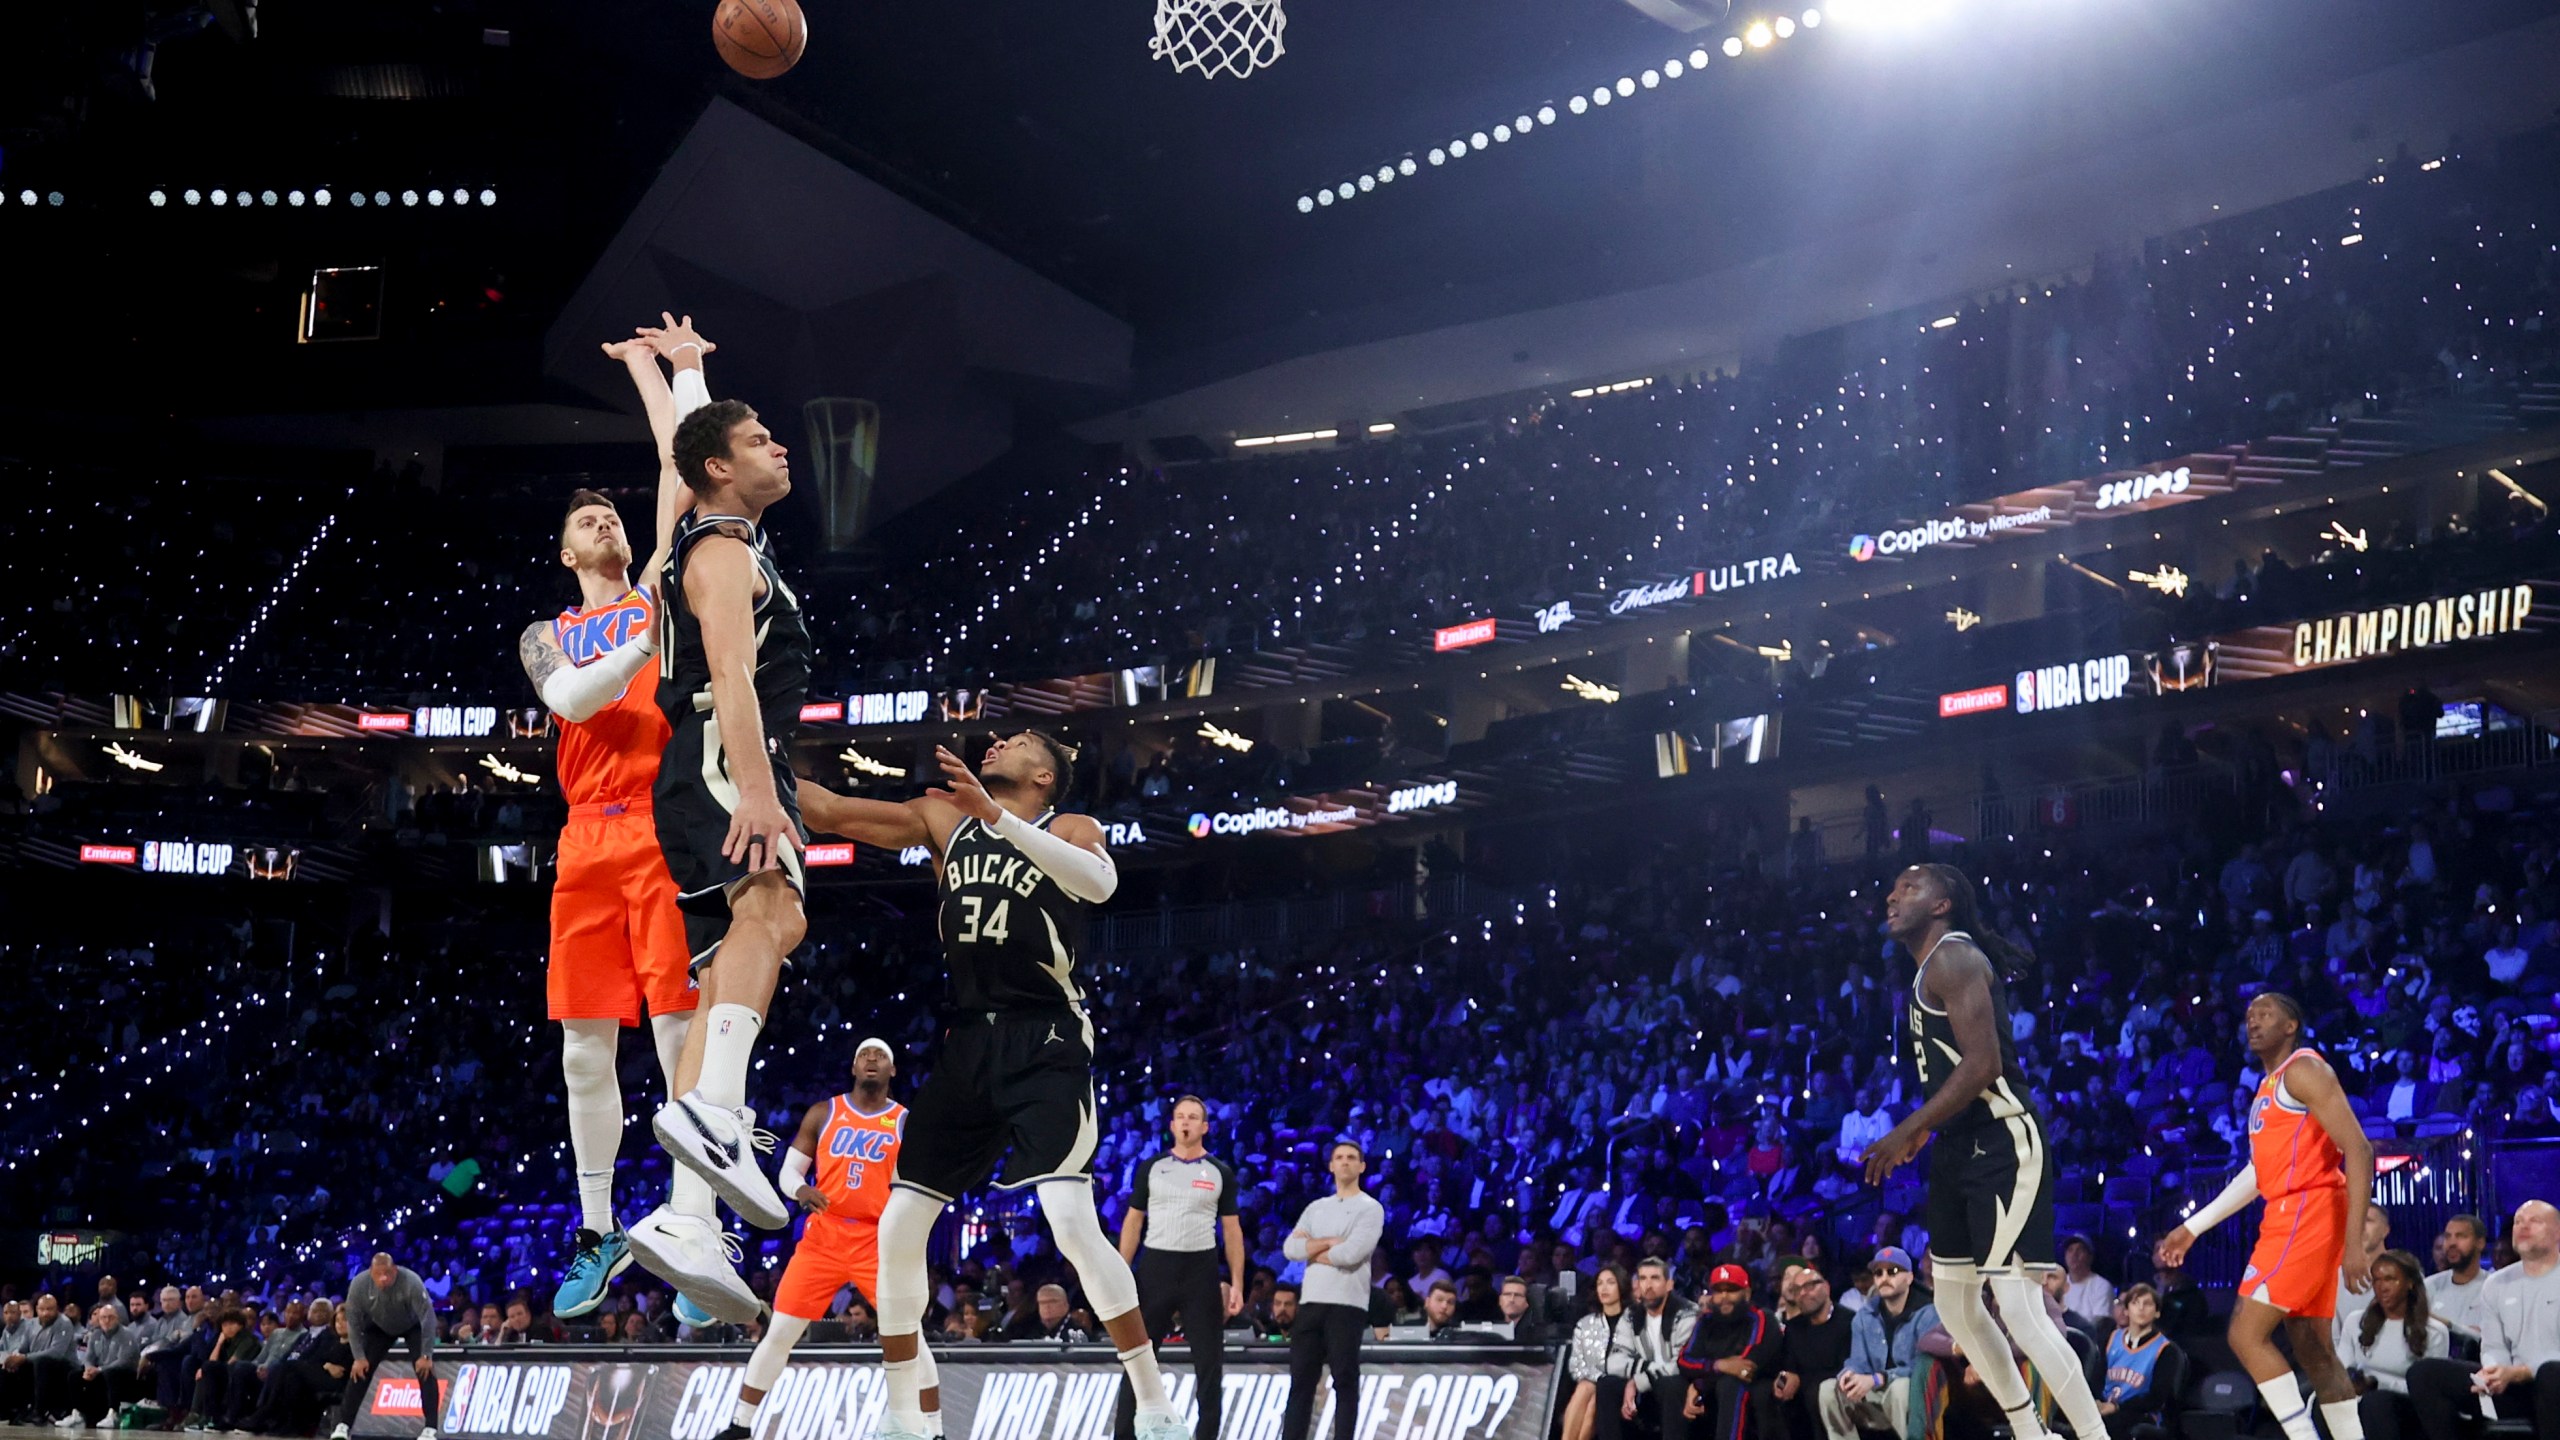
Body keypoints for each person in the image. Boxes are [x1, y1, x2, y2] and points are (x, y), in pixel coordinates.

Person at [798, 734, 1182, 1440]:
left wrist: (1000, 819)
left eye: (1019, 742)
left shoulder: (1067, 827)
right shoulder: (945, 821)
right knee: (899, 1225)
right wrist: (732, 753)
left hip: (1047, 1038)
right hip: (969, 1040)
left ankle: (1154, 1403)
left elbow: (1101, 884)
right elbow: (823, 809)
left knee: (1069, 1220)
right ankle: (903, 1417)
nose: (997, 741)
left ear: (1042, 775)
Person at [521, 321, 709, 1322]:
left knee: (677, 1032)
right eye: (586, 519)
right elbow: (574, 703)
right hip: (583, 844)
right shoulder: (549, 632)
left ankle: (684, 1222)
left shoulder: (650, 590)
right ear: (564, 550)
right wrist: (647, 636)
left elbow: (677, 465)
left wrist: (657, 368)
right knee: (583, 1050)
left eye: (612, 515)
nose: (604, 521)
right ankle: (598, 1230)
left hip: (654, 828)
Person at [630, 371, 817, 1320]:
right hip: (719, 754)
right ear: (718, 466)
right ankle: (713, 1113)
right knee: (772, 912)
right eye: (760, 439)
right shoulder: (720, 553)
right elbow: (733, 679)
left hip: (719, 761)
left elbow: (678, 448)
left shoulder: (725, 539)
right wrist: (755, 789)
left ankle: (686, 1217)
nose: (779, 449)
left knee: (732, 964)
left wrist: (681, 368)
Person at [1862, 864, 2113, 1440]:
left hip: (2003, 1139)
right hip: (1958, 1146)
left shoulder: (1954, 956)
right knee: (1955, 1307)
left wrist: (1908, 1127)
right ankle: (2031, 1431)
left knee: (2020, 1309)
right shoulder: (1930, 967)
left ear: (1943, 903)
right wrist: (1930, 1128)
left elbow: (1984, 1065)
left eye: (1908, 887)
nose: (1892, 894)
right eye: (1892, 886)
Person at [2156, 992, 2374, 1440]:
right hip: (2292, 1208)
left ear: (2291, 1025)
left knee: (2244, 1333)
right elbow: (2259, 1173)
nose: (2253, 1021)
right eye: (2249, 1016)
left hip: (2307, 1208)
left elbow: (2359, 1148)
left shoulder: (2304, 1069)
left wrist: (2355, 1244)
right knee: (2314, 1349)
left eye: (2265, 1013)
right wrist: (2193, 1227)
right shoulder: (2266, 1088)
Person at [713, 1037, 943, 1440]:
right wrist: (800, 1191)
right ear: (853, 1069)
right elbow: (789, 1173)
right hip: (825, 1236)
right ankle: (740, 1425)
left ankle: (935, 1430)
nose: (871, 1060)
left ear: (893, 1071)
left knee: (912, 1338)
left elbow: (919, 1184)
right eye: (863, 1055)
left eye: (881, 1056)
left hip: (879, 1241)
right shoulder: (824, 1112)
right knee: (781, 1331)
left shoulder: (907, 1120)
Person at [1115, 1095, 1248, 1440]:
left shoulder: (1220, 1172)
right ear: (1172, 1125)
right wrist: (1120, 1271)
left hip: (1200, 1271)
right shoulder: (1152, 1167)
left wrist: (1236, 1283)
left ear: (1205, 1127)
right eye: (1180, 1117)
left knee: (1209, 1366)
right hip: (1156, 1267)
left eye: (1193, 1117)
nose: (1186, 1122)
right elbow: (1133, 1221)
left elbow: (1232, 1231)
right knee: (1138, 1361)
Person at [2406, 1198, 2560, 1439]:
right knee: (2425, 1373)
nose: (2523, 1227)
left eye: (2535, 1221)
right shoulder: (2497, 1283)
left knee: (2552, 1373)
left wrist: (2520, 1372)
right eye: (2519, 1221)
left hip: (2552, 1383)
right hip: (2514, 1385)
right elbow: (2492, 1344)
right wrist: (2493, 1373)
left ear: (2558, 1231)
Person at [1279, 1141, 1387, 1440]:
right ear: (1330, 1165)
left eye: (1352, 1158)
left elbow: (1351, 1254)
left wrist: (1312, 1250)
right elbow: (1290, 1248)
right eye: (1338, 1157)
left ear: (1362, 1166)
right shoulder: (1316, 1208)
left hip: (1346, 1304)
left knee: (1344, 1380)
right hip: (1311, 1302)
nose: (1345, 1162)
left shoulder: (1371, 1208)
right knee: (1301, 1381)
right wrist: (1330, 1242)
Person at [1821, 1247, 1936, 1440]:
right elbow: (1858, 1362)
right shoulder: (1864, 1317)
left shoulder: (1928, 1313)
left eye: (1892, 1272)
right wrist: (1849, 1374)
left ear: (1909, 1277)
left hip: (1917, 1398)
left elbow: (1924, 1370)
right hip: (1875, 1395)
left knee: (1902, 1386)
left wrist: (1879, 1378)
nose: (1884, 1278)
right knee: (1828, 1388)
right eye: (1878, 1273)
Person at [329, 1253, 441, 1440]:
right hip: (379, 1326)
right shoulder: (359, 1284)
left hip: (412, 1325)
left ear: (395, 1270)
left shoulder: (411, 1281)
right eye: (378, 1274)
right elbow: (354, 1323)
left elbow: (428, 1317)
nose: (384, 1278)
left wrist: (426, 1355)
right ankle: (343, 1426)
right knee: (360, 1370)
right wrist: (358, 1357)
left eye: (388, 1273)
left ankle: (430, 1429)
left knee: (425, 1369)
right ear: (370, 1273)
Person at [2340, 1250, 2445, 1440]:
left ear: (2410, 1284)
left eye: (2390, 1279)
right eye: (2377, 1280)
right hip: (2359, 1401)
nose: (2382, 1287)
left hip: (2407, 1409)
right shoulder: (2356, 1322)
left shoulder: (2433, 1331)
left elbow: (2430, 1391)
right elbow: (2343, 1367)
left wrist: (2376, 1383)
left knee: (2376, 1403)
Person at [1598, 1258, 1696, 1440]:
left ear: (1669, 1285)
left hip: (1678, 1384)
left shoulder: (1687, 1312)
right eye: (1643, 1279)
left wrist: (1637, 1382)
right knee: (1607, 1383)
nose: (1648, 1285)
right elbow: (1614, 1361)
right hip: (1648, 1383)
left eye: (1655, 1278)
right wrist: (1640, 1374)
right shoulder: (1631, 1314)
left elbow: (1681, 1364)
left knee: (1672, 1383)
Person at [1677, 1265, 1778, 1440]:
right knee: (1673, 1385)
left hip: (1756, 1386)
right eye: (1718, 1290)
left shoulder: (1761, 1317)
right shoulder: (1705, 1321)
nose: (1724, 1297)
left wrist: (1702, 1382)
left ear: (1746, 1293)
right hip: (1713, 1386)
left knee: (1730, 1383)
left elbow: (1748, 1366)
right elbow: (1685, 1360)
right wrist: (1718, 1365)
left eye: (1731, 1290)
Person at [2086, 1284, 2185, 1440]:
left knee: (2113, 1426)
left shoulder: (2166, 1350)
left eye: (2147, 1304)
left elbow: (2156, 1398)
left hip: (2140, 1413)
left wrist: (2116, 1407)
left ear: (2157, 1312)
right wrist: (2096, 1402)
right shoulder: (2111, 1339)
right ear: (2126, 1310)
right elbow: (2097, 1378)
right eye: (2135, 1303)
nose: (2141, 1308)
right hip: (2106, 1407)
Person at [238, 1303, 348, 1440]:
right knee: (289, 1376)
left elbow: (335, 1365)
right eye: (338, 1320)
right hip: (321, 1373)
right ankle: (285, 1424)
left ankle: (265, 1411)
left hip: (338, 1381)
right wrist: (328, 1365)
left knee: (288, 1367)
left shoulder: (352, 1343)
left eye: (345, 1320)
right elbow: (324, 1360)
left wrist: (327, 1366)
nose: (340, 1324)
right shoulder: (335, 1340)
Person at [1770, 1263, 1854, 1440]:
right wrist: (1784, 1378)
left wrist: (1800, 1379)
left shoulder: (1850, 1322)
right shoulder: (1793, 1328)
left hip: (1839, 1393)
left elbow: (1849, 1369)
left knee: (1816, 1393)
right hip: (1803, 1396)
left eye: (1809, 1286)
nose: (1803, 1293)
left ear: (1826, 1287)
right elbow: (1789, 1366)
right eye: (1797, 1289)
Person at [36, 1296, 141, 1429]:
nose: (107, 1321)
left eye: (111, 1317)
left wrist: (100, 1370)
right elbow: (88, 1357)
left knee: (111, 1373)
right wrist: (89, 1369)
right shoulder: (96, 1335)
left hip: (124, 1375)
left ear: (118, 1318)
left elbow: (124, 1361)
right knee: (74, 1375)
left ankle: (113, 1414)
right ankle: (77, 1414)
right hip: (102, 1372)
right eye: (103, 1317)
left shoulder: (126, 1334)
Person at [1564, 1266, 1637, 1440]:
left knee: (1599, 1390)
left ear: (1622, 1286)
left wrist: (1603, 1380)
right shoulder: (1585, 1323)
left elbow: (1640, 1359)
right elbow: (1576, 1366)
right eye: (1600, 1283)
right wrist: (1599, 1379)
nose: (1604, 1288)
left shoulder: (1636, 1321)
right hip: (1592, 1388)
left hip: (1625, 1385)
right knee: (1588, 1389)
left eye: (1610, 1283)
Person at [2, 1295, 75, 1423]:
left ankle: (39, 1411)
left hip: (64, 1367)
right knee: (11, 1365)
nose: (46, 1313)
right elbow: (23, 1348)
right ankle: (15, 1410)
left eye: (50, 1309)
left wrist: (24, 1357)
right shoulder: (32, 1324)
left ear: (57, 1309)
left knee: (40, 1362)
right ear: (36, 1309)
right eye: (42, 1309)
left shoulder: (64, 1323)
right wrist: (15, 1357)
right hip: (39, 1364)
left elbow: (56, 1353)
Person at [185, 1308, 259, 1431]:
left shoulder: (247, 1339)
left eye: (232, 1324)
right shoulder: (225, 1341)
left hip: (242, 1376)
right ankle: (205, 1416)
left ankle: (205, 1415)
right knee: (206, 1370)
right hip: (229, 1373)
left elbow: (233, 1362)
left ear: (240, 1325)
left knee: (207, 1369)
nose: (228, 1328)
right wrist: (219, 1343)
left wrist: (206, 1368)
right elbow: (212, 1362)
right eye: (225, 1325)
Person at [2423, 1213, 2491, 1341]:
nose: (2452, 1243)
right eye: (2448, 1237)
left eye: (2461, 1236)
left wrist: (2446, 1324)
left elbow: (2489, 1339)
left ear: (2480, 1243)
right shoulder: (2429, 1286)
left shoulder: (2494, 1287)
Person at [2060, 1237, 2116, 1327]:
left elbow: (2100, 1327)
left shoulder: (2102, 1286)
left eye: (2080, 1250)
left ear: (2090, 1257)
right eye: (2070, 1250)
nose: (2074, 1254)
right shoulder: (2058, 1284)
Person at [1498, 1276, 1552, 1345]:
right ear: (1500, 1300)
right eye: (1507, 1294)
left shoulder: (1537, 1336)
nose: (1511, 1300)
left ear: (1526, 1303)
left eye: (1518, 1295)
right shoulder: (1491, 1328)